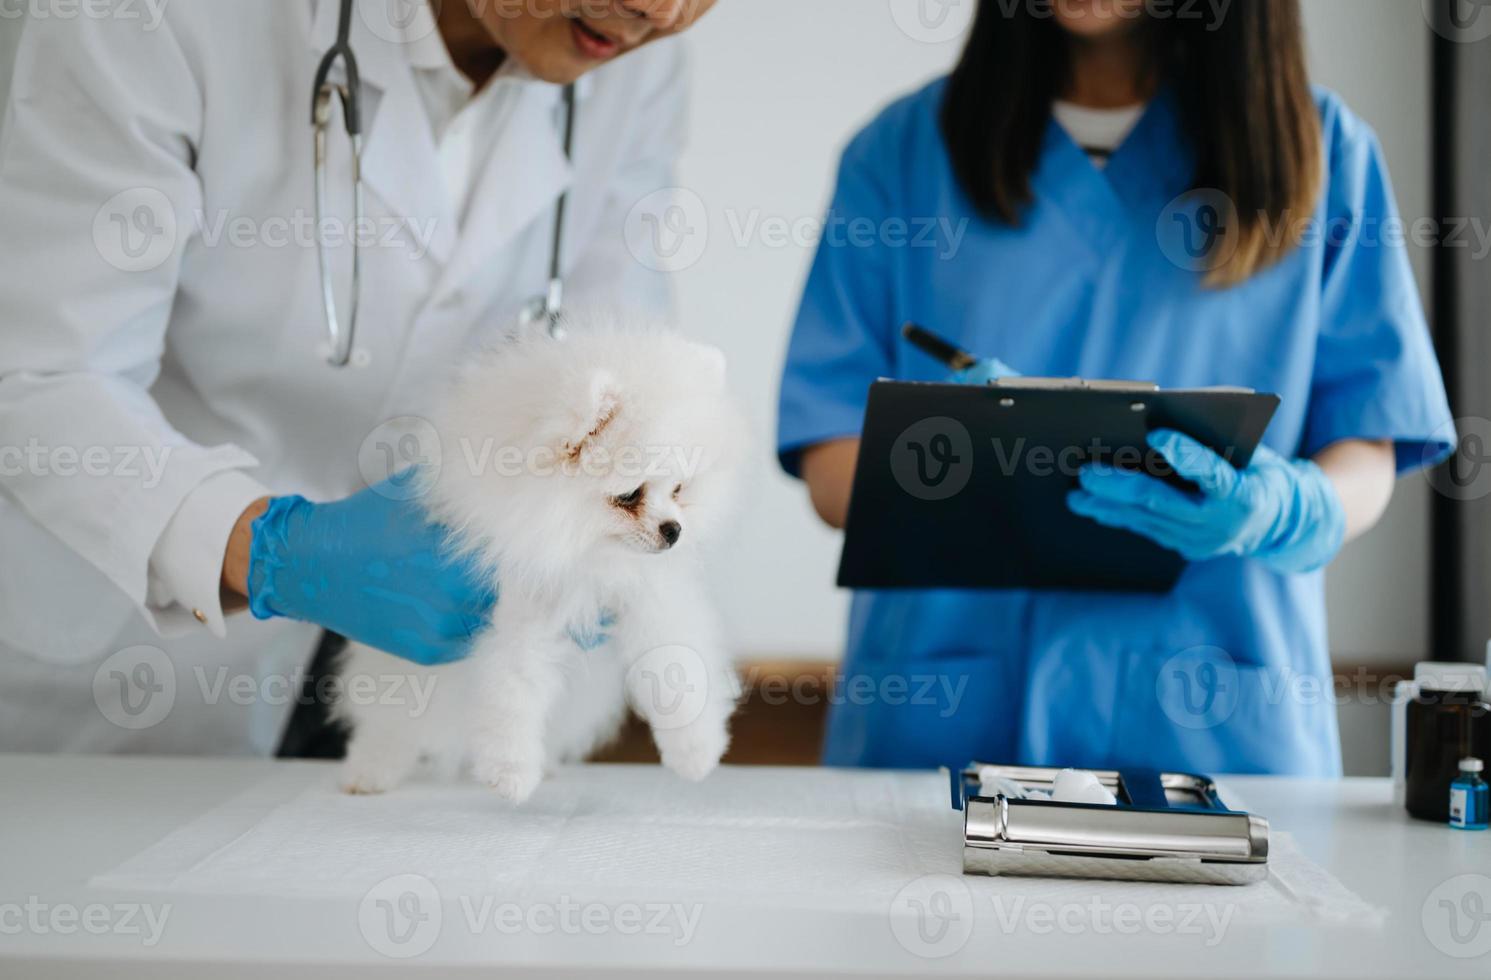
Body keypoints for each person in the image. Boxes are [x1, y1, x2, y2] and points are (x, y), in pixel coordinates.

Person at [0, 0, 717, 754]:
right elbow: (41, 368)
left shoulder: (634, 65)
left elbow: (626, 356)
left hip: (420, 676)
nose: (660, 10)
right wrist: (277, 551)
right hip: (133, 650)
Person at [777, 0, 1454, 776]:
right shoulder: (899, 153)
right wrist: (961, 459)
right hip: (939, 727)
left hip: (1216, 730)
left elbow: (1368, 443)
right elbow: (828, 458)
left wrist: (1285, 507)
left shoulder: (1325, 151)